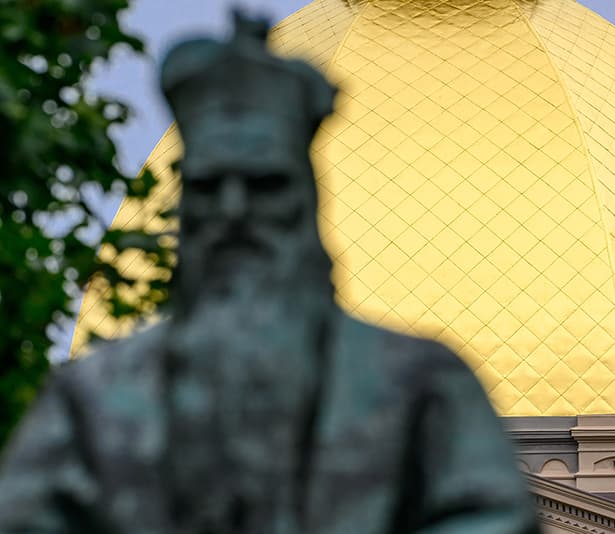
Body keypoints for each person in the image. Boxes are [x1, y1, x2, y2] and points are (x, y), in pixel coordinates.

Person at [0, 12, 539, 533]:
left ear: (307, 200)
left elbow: (495, 519)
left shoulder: (421, 386)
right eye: (208, 188)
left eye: (265, 186)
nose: (234, 213)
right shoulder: (90, 401)